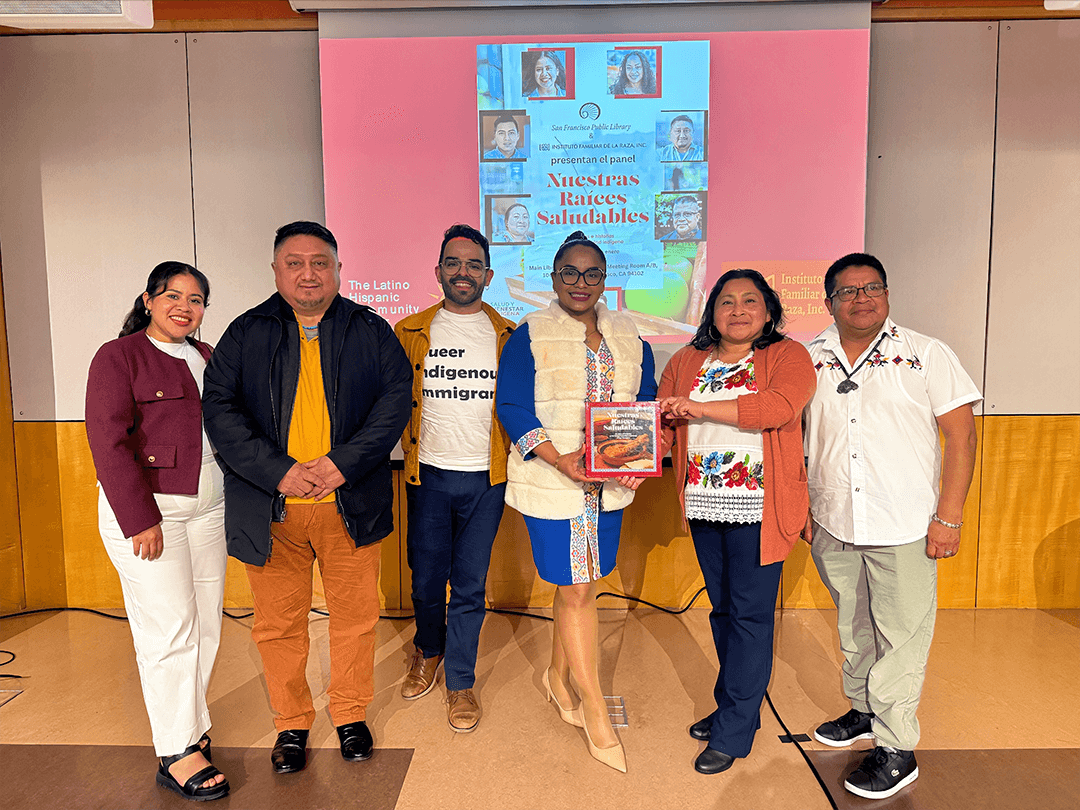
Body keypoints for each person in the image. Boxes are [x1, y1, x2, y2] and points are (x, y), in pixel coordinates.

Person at [202, 221, 412, 774]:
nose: (308, 273)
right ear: (276, 271)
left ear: (339, 270)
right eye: (294, 263)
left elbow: (395, 402)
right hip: (271, 509)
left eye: (320, 262)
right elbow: (219, 410)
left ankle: (350, 714)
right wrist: (280, 472)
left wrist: (342, 464)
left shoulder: (370, 329)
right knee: (278, 626)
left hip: (350, 504)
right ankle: (291, 724)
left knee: (355, 620)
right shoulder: (246, 332)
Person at [804, 253, 980, 800]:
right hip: (833, 519)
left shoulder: (926, 353)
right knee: (854, 625)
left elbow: (962, 438)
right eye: (848, 291)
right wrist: (803, 508)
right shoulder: (809, 358)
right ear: (829, 302)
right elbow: (797, 439)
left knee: (901, 638)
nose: (861, 298)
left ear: (886, 293)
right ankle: (862, 710)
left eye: (872, 287)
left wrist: (948, 516)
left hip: (905, 524)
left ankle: (897, 747)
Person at [496, 231, 656, 773]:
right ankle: (594, 709)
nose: (580, 283)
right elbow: (513, 407)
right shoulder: (529, 333)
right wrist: (559, 458)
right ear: (554, 277)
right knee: (578, 589)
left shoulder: (631, 336)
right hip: (554, 482)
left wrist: (638, 458)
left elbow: (645, 402)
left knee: (579, 587)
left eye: (591, 274)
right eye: (570, 272)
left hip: (607, 489)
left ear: (605, 279)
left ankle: (556, 677)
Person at [657, 269, 816, 775]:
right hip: (704, 504)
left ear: (768, 312)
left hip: (760, 508)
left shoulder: (788, 356)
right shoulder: (686, 360)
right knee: (724, 612)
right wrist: (631, 460)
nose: (739, 310)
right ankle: (734, 705)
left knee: (750, 617)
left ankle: (734, 730)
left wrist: (700, 408)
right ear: (712, 312)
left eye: (751, 300)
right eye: (727, 301)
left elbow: (777, 407)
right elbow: (663, 423)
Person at [86, 262, 229, 802]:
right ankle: (175, 750)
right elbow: (107, 442)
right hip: (152, 513)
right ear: (148, 299)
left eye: (196, 300)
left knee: (206, 626)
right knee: (169, 630)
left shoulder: (207, 356)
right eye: (172, 296)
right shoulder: (118, 356)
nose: (184, 307)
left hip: (208, 510)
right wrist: (139, 517)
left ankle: (189, 725)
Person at [393, 224, 516, 732]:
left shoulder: (510, 336)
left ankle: (460, 680)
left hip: (487, 480)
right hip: (428, 475)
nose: (462, 272)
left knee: (469, 584)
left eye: (473, 264)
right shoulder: (409, 332)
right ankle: (428, 650)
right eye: (453, 263)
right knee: (425, 579)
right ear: (438, 271)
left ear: (488, 275)